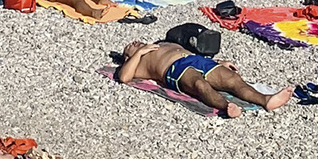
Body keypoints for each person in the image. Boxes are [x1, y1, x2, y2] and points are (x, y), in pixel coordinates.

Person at [116, 40, 292, 117]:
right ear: (127, 58)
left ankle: (266, 100)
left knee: (232, 79)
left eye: (135, 43)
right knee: (199, 84)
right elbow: (124, 77)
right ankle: (227, 106)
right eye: (129, 47)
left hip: (197, 60)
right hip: (174, 69)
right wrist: (138, 53)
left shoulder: (159, 44)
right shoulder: (138, 63)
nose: (134, 43)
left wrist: (218, 62)